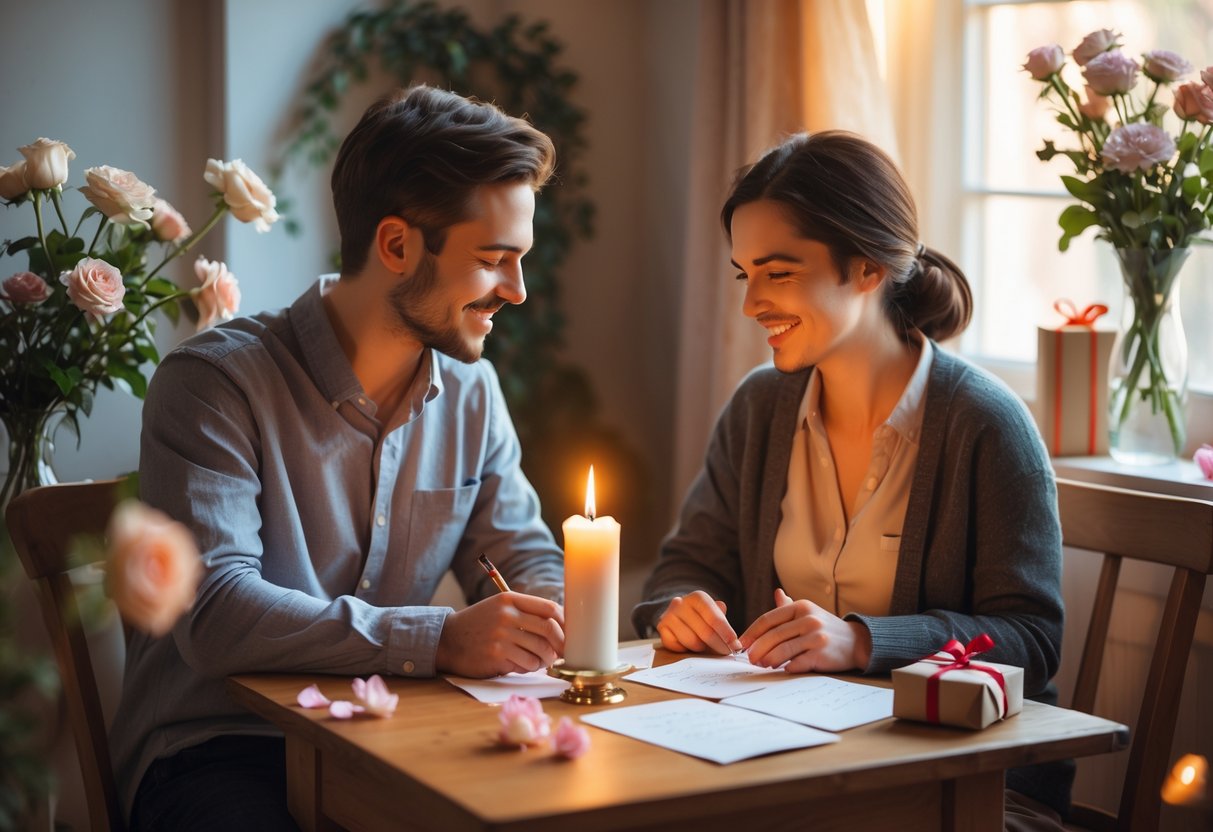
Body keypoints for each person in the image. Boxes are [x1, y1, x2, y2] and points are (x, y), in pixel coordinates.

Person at [110, 85, 567, 830]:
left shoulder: (473, 394)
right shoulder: (214, 384)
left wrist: (558, 609)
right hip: (220, 753)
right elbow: (218, 613)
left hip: (390, 741)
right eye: (493, 260)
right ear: (395, 246)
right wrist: (440, 636)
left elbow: (527, 560)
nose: (515, 290)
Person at [632, 132, 1071, 829]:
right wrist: (679, 606)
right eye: (744, 274)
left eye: (776, 273)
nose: (750, 305)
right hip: (786, 765)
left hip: (963, 786)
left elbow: (1029, 638)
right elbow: (687, 564)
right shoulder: (759, 407)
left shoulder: (984, 425)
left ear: (866, 268)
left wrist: (863, 643)